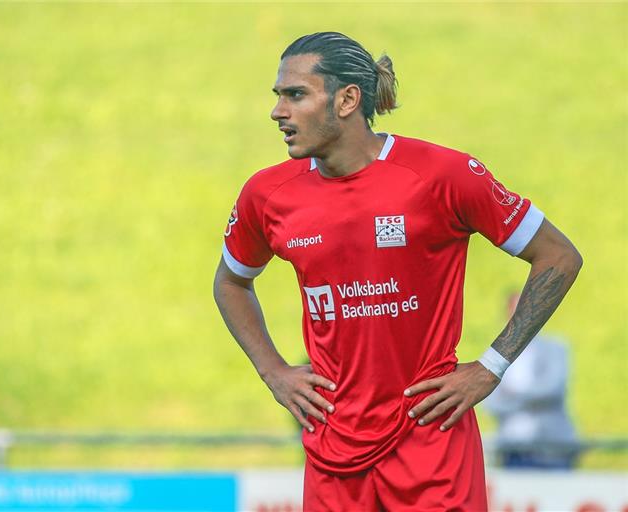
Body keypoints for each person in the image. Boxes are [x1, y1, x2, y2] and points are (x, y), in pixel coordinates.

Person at [213, 32, 582, 511]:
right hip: (332, 445)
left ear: (348, 99)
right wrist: (274, 372)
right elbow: (232, 281)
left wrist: (491, 368)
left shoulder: (441, 175)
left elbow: (558, 256)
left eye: (296, 95)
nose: (278, 112)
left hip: (432, 440)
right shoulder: (268, 194)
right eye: (278, 96)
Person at [483, 292, 579, 469]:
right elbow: (490, 402)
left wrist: (513, 394)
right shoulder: (494, 355)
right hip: (515, 448)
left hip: (554, 446)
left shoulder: (555, 347)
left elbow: (553, 389)